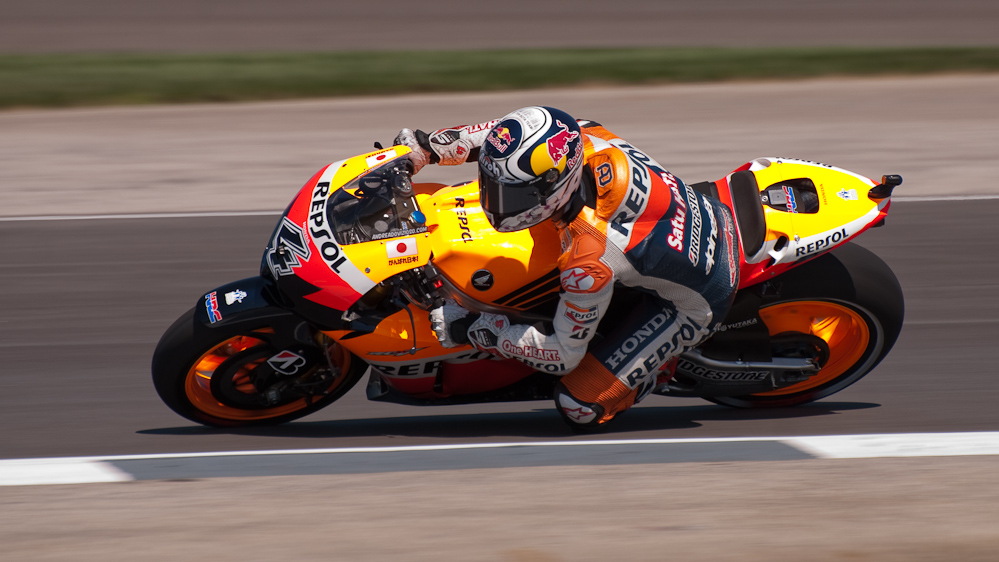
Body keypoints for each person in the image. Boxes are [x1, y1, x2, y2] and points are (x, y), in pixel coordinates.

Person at [394, 106, 739, 430]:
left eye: (512, 196)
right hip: (693, 213)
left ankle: (657, 369)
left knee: (578, 405)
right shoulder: (580, 137)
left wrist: (475, 328)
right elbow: (502, 138)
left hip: (700, 296)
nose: (495, 201)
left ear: (554, 188)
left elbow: (562, 355)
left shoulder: (588, 258)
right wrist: (433, 146)